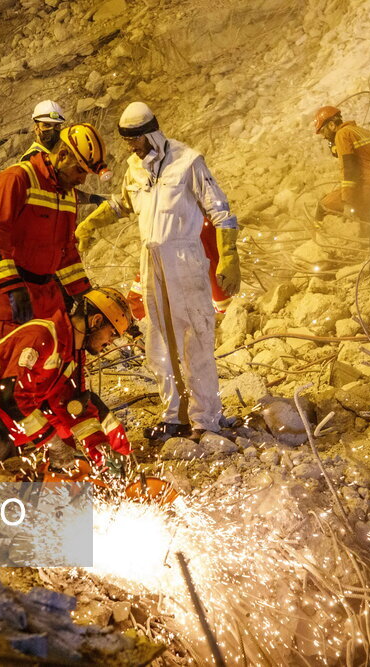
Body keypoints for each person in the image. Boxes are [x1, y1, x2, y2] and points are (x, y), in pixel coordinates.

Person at [76, 102, 240, 440]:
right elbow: (121, 204)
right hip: (151, 263)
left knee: (196, 339)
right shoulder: (134, 168)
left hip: (185, 259)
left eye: (134, 141)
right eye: (127, 143)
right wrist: (89, 224)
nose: (131, 148)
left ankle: (206, 419)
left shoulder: (188, 161)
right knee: (159, 344)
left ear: (150, 133)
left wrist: (229, 256)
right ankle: (173, 417)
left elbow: (221, 210)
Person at [0, 288, 134, 493]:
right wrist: (54, 444)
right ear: (95, 321)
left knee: (85, 409)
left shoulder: (74, 353)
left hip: (15, 418)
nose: (110, 342)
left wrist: (102, 451)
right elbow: (11, 397)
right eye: (111, 334)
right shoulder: (41, 336)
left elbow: (74, 408)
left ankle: (97, 481)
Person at [0, 124, 110, 346]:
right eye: (79, 170)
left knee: (51, 357)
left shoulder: (67, 196)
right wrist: (12, 287)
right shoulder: (18, 178)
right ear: (62, 155)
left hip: (45, 289)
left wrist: (85, 294)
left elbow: (66, 251)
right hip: (8, 287)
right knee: (14, 360)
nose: (82, 181)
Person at [312, 105, 370, 224]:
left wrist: (348, 203)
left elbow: (349, 170)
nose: (324, 137)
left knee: (322, 206)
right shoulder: (361, 131)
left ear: (331, 125)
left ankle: (317, 237)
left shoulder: (342, 135)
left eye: (322, 131)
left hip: (369, 189)